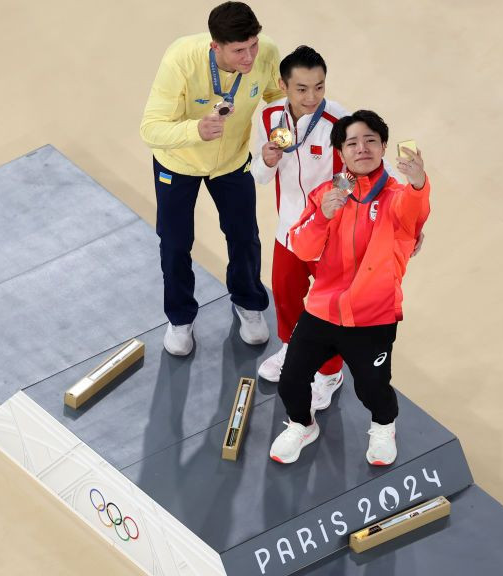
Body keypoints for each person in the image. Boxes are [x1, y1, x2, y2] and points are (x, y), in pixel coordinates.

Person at [268, 110, 431, 466]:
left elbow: (414, 214)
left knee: (373, 388)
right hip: (322, 311)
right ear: (340, 152)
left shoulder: (397, 197)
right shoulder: (327, 193)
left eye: (370, 140)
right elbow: (302, 246)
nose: (362, 148)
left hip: (373, 316)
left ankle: (384, 426)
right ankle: (302, 425)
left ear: (384, 146)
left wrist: (419, 184)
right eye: (352, 143)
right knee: (291, 381)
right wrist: (323, 216)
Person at [140, 2, 284, 356]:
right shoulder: (180, 60)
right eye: (239, 51)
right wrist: (195, 130)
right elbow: (150, 128)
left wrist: (278, 135)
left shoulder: (266, 53)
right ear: (215, 46)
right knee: (175, 243)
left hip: (232, 161)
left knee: (245, 236)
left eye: (253, 45)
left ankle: (249, 304)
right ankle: (180, 318)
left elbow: (278, 97)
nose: (250, 57)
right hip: (178, 163)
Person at [249, 45, 348, 413]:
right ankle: (292, 348)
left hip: (330, 236)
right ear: (283, 86)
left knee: (327, 309)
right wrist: (267, 160)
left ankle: (329, 371)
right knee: (287, 296)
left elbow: (357, 177)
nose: (311, 97)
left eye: (319, 87)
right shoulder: (270, 117)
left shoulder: (341, 123)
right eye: (302, 89)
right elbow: (260, 176)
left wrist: (334, 199)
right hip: (289, 228)